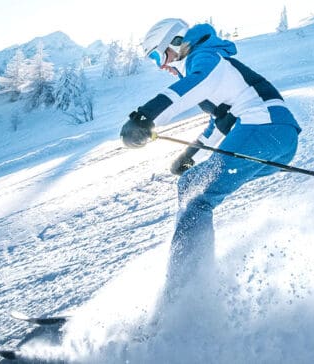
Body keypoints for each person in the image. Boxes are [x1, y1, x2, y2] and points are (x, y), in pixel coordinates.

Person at [120, 18, 301, 294]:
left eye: (158, 54)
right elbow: (219, 122)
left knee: (196, 194)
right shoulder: (210, 62)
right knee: (193, 183)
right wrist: (190, 154)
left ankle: (187, 291)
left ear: (177, 42)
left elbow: (191, 87)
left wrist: (145, 116)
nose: (160, 65)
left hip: (264, 127)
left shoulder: (204, 57)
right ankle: (194, 281)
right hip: (277, 138)